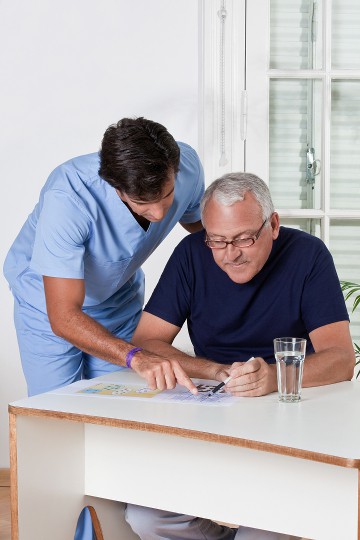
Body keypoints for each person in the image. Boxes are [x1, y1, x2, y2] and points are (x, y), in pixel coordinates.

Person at [125, 172, 355, 540]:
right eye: (217, 240)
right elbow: (147, 341)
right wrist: (214, 370)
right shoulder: (191, 255)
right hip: (214, 412)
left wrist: (274, 377)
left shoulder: (308, 255)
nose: (230, 254)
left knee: (260, 534)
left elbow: (341, 358)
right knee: (146, 517)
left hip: (291, 417)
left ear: (273, 224)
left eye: (244, 239)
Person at [3, 116, 203, 397]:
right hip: (48, 304)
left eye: (166, 195)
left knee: (124, 400)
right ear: (116, 187)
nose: (159, 214)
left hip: (116, 301)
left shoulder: (188, 169)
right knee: (58, 409)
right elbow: (63, 316)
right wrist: (136, 355)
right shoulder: (69, 197)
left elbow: (204, 231)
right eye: (142, 204)